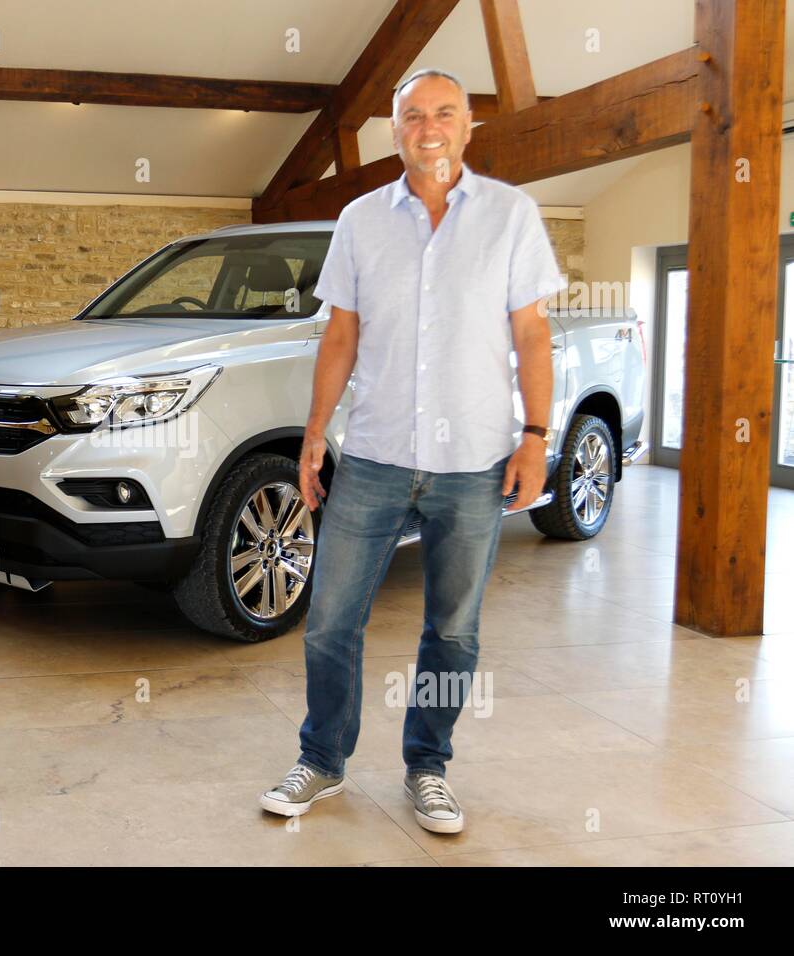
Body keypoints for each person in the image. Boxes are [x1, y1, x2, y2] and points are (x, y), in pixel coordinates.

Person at [259, 69, 565, 834]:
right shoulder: (360, 220)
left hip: (475, 461)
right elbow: (341, 334)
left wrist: (536, 436)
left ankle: (427, 765)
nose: (428, 127)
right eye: (413, 116)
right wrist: (314, 431)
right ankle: (322, 759)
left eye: (445, 114)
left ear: (467, 128)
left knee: (452, 630)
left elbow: (531, 333)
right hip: (374, 456)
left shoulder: (511, 215)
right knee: (330, 619)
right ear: (394, 131)